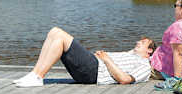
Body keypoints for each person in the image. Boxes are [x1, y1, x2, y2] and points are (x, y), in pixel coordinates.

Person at [13, 27, 157, 87]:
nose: (138, 42)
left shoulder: (144, 66)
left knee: (61, 36)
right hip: (93, 65)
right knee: (54, 32)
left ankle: (38, 77)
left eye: (143, 42)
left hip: (94, 72)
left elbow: (125, 80)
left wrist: (106, 59)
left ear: (150, 50)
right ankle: (35, 74)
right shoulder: (130, 54)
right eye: (139, 40)